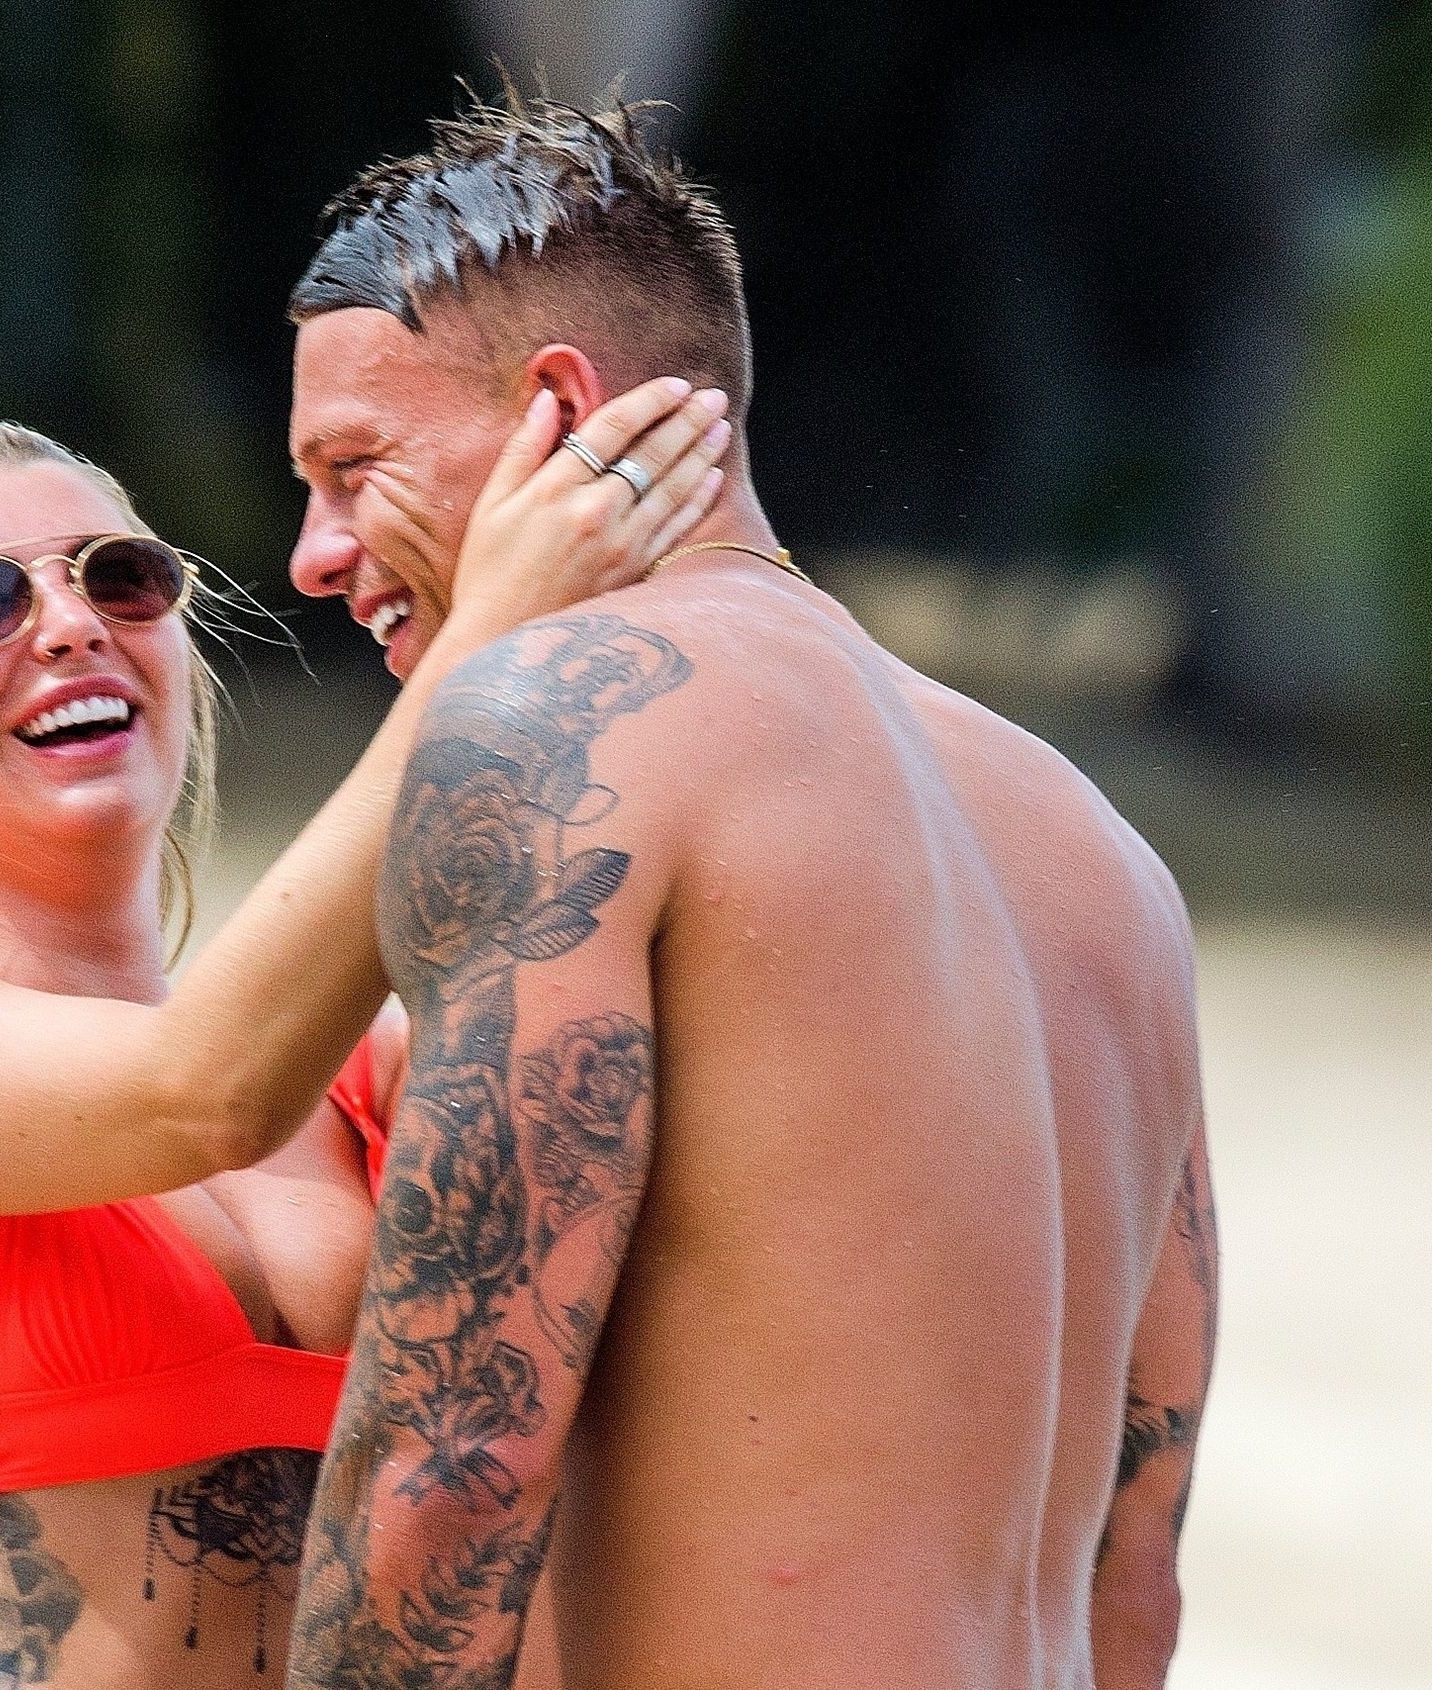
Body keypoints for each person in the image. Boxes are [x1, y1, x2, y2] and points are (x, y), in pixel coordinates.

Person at [281, 96, 1218, 1690]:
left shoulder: (563, 729)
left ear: (558, 412)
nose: (316, 550)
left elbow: (452, 1470)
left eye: (354, 468)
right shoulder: (1100, 850)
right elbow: (1140, 1566)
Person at [0, 401, 729, 1687]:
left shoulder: (371, 1072)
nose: (72, 623)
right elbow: (204, 1096)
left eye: (120, 578)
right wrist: (484, 643)